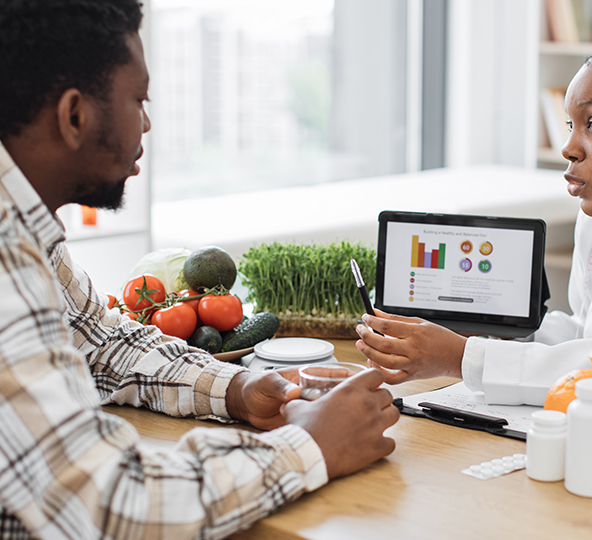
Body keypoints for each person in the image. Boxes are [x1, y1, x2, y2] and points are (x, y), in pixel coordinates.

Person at [0, 1, 399, 538]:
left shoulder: (25, 226)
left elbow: (100, 343)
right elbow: (111, 504)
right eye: (137, 98)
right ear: (75, 116)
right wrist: (312, 445)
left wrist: (238, 388)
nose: (146, 121)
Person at [357, 28, 592, 406]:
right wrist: (492, 335)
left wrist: (461, 356)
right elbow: (590, 333)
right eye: (571, 125)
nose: (569, 148)